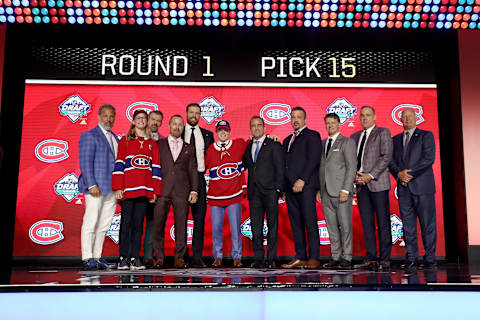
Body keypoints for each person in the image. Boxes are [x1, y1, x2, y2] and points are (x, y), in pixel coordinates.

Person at [112, 109, 161, 270]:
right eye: (138, 118)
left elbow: (156, 168)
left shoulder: (152, 144)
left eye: (143, 118)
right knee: (126, 224)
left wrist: (155, 191)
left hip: (144, 190)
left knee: (138, 225)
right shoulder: (124, 141)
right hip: (127, 190)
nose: (141, 120)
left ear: (147, 122)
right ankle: (123, 258)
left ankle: (134, 258)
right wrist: (118, 187)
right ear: (133, 121)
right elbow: (119, 164)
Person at [389, 108, 437, 271]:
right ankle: (411, 258)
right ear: (400, 120)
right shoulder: (395, 139)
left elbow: (429, 159)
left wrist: (409, 174)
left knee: (427, 224)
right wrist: (399, 174)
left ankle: (430, 259)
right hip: (404, 189)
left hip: (422, 187)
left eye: (410, 116)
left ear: (416, 118)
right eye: (404, 117)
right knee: (408, 226)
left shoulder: (426, 135)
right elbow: (391, 161)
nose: (407, 119)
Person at [351, 106, 393, 271]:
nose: (364, 118)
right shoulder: (355, 137)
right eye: (362, 116)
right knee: (367, 223)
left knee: (383, 222)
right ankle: (370, 257)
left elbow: (386, 156)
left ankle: (385, 258)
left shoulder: (383, 132)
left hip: (378, 183)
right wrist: (355, 176)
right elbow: (352, 160)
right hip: (361, 186)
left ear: (374, 117)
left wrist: (369, 175)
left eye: (368, 115)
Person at [153, 115, 198, 269]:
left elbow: (193, 170)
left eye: (180, 125)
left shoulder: (189, 148)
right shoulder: (159, 144)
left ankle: (179, 257)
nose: (177, 127)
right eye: (174, 124)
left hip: (182, 191)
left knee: (181, 226)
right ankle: (159, 257)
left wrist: (194, 190)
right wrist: (153, 189)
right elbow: (153, 168)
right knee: (158, 225)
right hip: (162, 191)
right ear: (169, 126)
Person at [78, 104, 119, 270]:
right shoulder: (89, 135)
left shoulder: (115, 137)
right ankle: (87, 257)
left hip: (112, 188)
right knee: (91, 222)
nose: (108, 119)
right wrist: (91, 184)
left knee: (104, 225)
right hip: (96, 187)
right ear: (99, 117)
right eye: (105, 116)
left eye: (111, 116)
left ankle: (97, 256)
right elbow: (85, 162)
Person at [281, 107, 322, 269]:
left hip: (306, 187)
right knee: (296, 224)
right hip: (290, 189)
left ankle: (314, 257)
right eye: (293, 117)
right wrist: (285, 188)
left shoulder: (312, 135)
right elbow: (285, 166)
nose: (295, 120)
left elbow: (313, 160)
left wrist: (302, 180)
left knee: (310, 222)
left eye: (299, 117)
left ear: (305, 119)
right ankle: (300, 256)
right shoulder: (287, 140)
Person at [317, 113, 357, 270]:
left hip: (341, 191)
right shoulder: (322, 143)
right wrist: (320, 189)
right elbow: (321, 168)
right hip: (326, 191)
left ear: (339, 124)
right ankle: (335, 256)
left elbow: (351, 167)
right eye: (327, 123)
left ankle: (347, 256)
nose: (330, 125)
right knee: (331, 226)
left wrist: (346, 189)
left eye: (333, 123)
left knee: (345, 225)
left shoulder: (347, 142)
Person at [243, 116, 284, 269]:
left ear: (264, 127)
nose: (256, 128)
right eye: (253, 126)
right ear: (250, 128)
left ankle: (271, 258)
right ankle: (259, 258)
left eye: (259, 125)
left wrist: (278, 189)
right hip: (254, 192)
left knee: (273, 226)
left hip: (270, 191)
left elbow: (280, 167)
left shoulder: (273, 144)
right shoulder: (248, 146)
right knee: (256, 227)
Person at [205, 120, 247, 268]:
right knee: (216, 228)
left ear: (229, 132)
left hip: (234, 195)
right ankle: (218, 256)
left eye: (226, 130)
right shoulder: (210, 149)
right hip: (216, 197)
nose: (223, 133)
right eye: (220, 130)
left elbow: (255, 142)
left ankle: (237, 256)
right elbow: (202, 168)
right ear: (216, 133)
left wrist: (270, 137)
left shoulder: (239, 145)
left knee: (236, 228)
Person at [182, 103, 214, 268]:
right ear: (186, 113)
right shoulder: (179, 132)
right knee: (181, 219)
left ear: (200, 115)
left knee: (199, 219)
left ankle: (196, 257)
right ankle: (182, 257)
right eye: (191, 112)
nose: (194, 115)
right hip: (182, 179)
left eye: (197, 113)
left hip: (200, 179)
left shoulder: (208, 135)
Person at [143, 110, 164, 268]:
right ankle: (132, 256)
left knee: (153, 223)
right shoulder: (137, 137)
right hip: (136, 186)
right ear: (147, 120)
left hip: (155, 188)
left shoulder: (164, 141)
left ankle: (149, 256)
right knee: (134, 224)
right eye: (153, 119)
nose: (155, 123)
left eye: (158, 120)